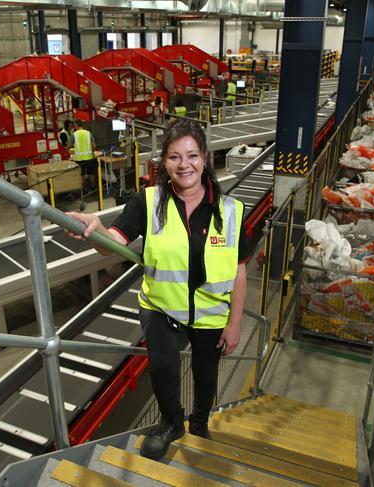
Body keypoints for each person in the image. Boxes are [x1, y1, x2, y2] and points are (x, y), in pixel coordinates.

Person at [67, 118, 249, 460]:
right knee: (163, 368)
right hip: (161, 308)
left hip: (211, 314)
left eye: (192, 155)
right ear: (164, 163)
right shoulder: (148, 202)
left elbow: (240, 270)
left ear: (206, 157)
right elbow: (112, 244)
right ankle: (170, 422)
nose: (185, 165)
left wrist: (235, 321)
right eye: (174, 157)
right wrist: (97, 229)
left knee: (206, 375)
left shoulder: (230, 210)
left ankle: (199, 421)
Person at [71, 120, 98, 190]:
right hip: (89, 157)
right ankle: (93, 187)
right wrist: (91, 151)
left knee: (82, 173)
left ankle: (83, 188)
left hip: (79, 158)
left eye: (74, 125)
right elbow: (94, 145)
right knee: (91, 172)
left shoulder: (74, 134)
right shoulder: (88, 133)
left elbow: (70, 145)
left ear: (76, 125)